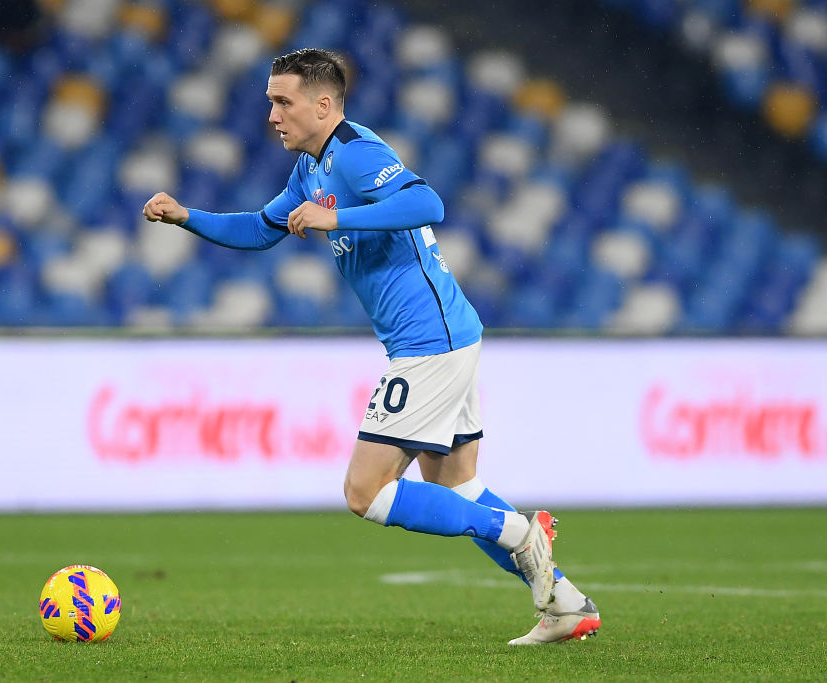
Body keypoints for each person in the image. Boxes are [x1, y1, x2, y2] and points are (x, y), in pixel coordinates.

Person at [143, 48, 600, 645]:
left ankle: (518, 531)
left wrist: (337, 221)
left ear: (323, 104)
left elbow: (427, 203)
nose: (274, 115)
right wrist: (186, 216)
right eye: (270, 103)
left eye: (283, 102)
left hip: (428, 341)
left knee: (365, 492)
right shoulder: (309, 171)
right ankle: (565, 604)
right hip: (444, 335)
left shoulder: (355, 153)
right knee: (455, 489)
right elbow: (259, 229)